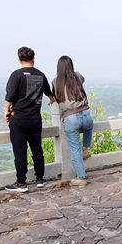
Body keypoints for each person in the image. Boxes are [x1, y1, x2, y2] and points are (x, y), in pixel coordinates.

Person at [4, 47, 53, 192]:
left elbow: (10, 97)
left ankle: (21, 183)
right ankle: (40, 179)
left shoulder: (16, 75)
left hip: (19, 118)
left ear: (19, 60)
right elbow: (49, 94)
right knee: (37, 149)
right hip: (35, 119)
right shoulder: (40, 75)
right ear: (33, 59)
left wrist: (6, 111)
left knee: (20, 151)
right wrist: (51, 100)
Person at [51, 55, 93, 187]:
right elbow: (82, 79)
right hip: (86, 114)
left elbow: (55, 96)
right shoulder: (78, 77)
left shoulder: (55, 81)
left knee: (74, 150)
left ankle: (81, 177)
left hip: (70, 117)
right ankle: (85, 149)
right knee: (89, 127)